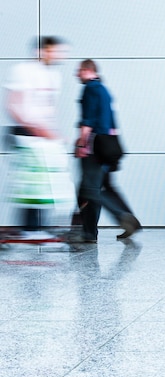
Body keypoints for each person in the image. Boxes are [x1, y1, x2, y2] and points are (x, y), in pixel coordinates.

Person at [4, 36, 75, 239]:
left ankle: (37, 228)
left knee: (46, 183)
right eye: (56, 51)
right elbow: (13, 104)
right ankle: (29, 228)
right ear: (42, 50)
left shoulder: (53, 75)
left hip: (44, 135)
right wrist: (35, 129)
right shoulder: (23, 71)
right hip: (26, 132)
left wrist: (53, 133)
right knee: (30, 183)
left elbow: (48, 108)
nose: (60, 56)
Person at [74, 59, 141, 243]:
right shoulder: (104, 90)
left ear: (88, 70)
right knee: (99, 188)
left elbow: (88, 120)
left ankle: (122, 217)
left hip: (94, 146)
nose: (76, 74)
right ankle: (89, 232)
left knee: (90, 190)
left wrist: (81, 143)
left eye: (79, 70)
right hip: (109, 145)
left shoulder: (90, 88)